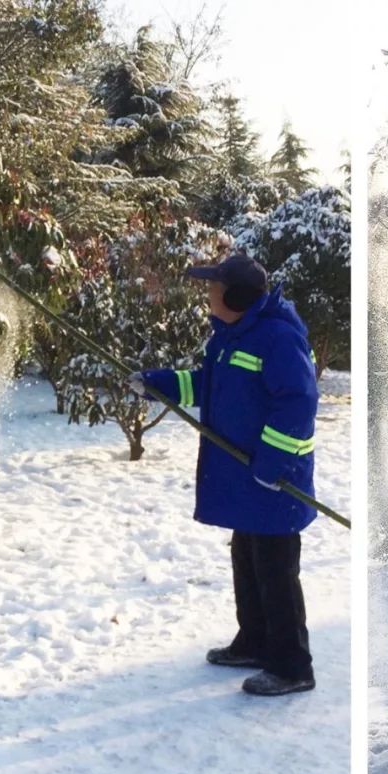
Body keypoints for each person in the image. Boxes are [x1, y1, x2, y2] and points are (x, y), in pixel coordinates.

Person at [128, 253, 319, 697]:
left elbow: (298, 402)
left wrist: (272, 465)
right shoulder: (232, 337)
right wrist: (158, 383)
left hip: (275, 481)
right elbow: (209, 384)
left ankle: (292, 666)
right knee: (248, 562)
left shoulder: (276, 338)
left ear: (236, 296)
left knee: (276, 573)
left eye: (214, 289)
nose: (209, 296)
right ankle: (254, 642)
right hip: (248, 479)